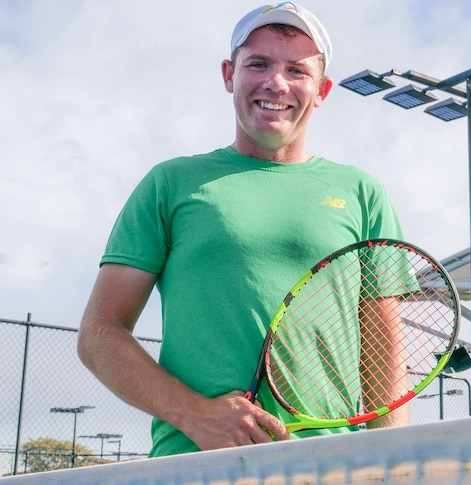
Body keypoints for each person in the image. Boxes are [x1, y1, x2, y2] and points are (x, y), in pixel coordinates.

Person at [77, 2, 406, 457]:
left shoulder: (364, 193)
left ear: (322, 89)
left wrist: (392, 462)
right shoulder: (169, 183)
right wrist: (195, 414)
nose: (277, 82)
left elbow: (383, 351)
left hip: (329, 466)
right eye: (259, 63)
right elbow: (99, 334)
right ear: (229, 74)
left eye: (297, 70)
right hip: (194, 465)